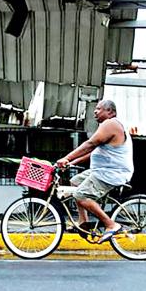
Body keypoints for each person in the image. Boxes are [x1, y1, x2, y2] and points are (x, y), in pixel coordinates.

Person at [56, 99, 134, 243]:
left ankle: (111, 224)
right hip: (102, 170)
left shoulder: (111, 124)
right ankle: (83, 223)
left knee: (81, 195)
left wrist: (66, 158)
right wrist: (71, 163)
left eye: (99, 109)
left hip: (112, 173)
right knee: (75, 182)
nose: (95, 111)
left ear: (110, 112)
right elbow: (92, 153)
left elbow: (90, 144)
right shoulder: (107, 127)